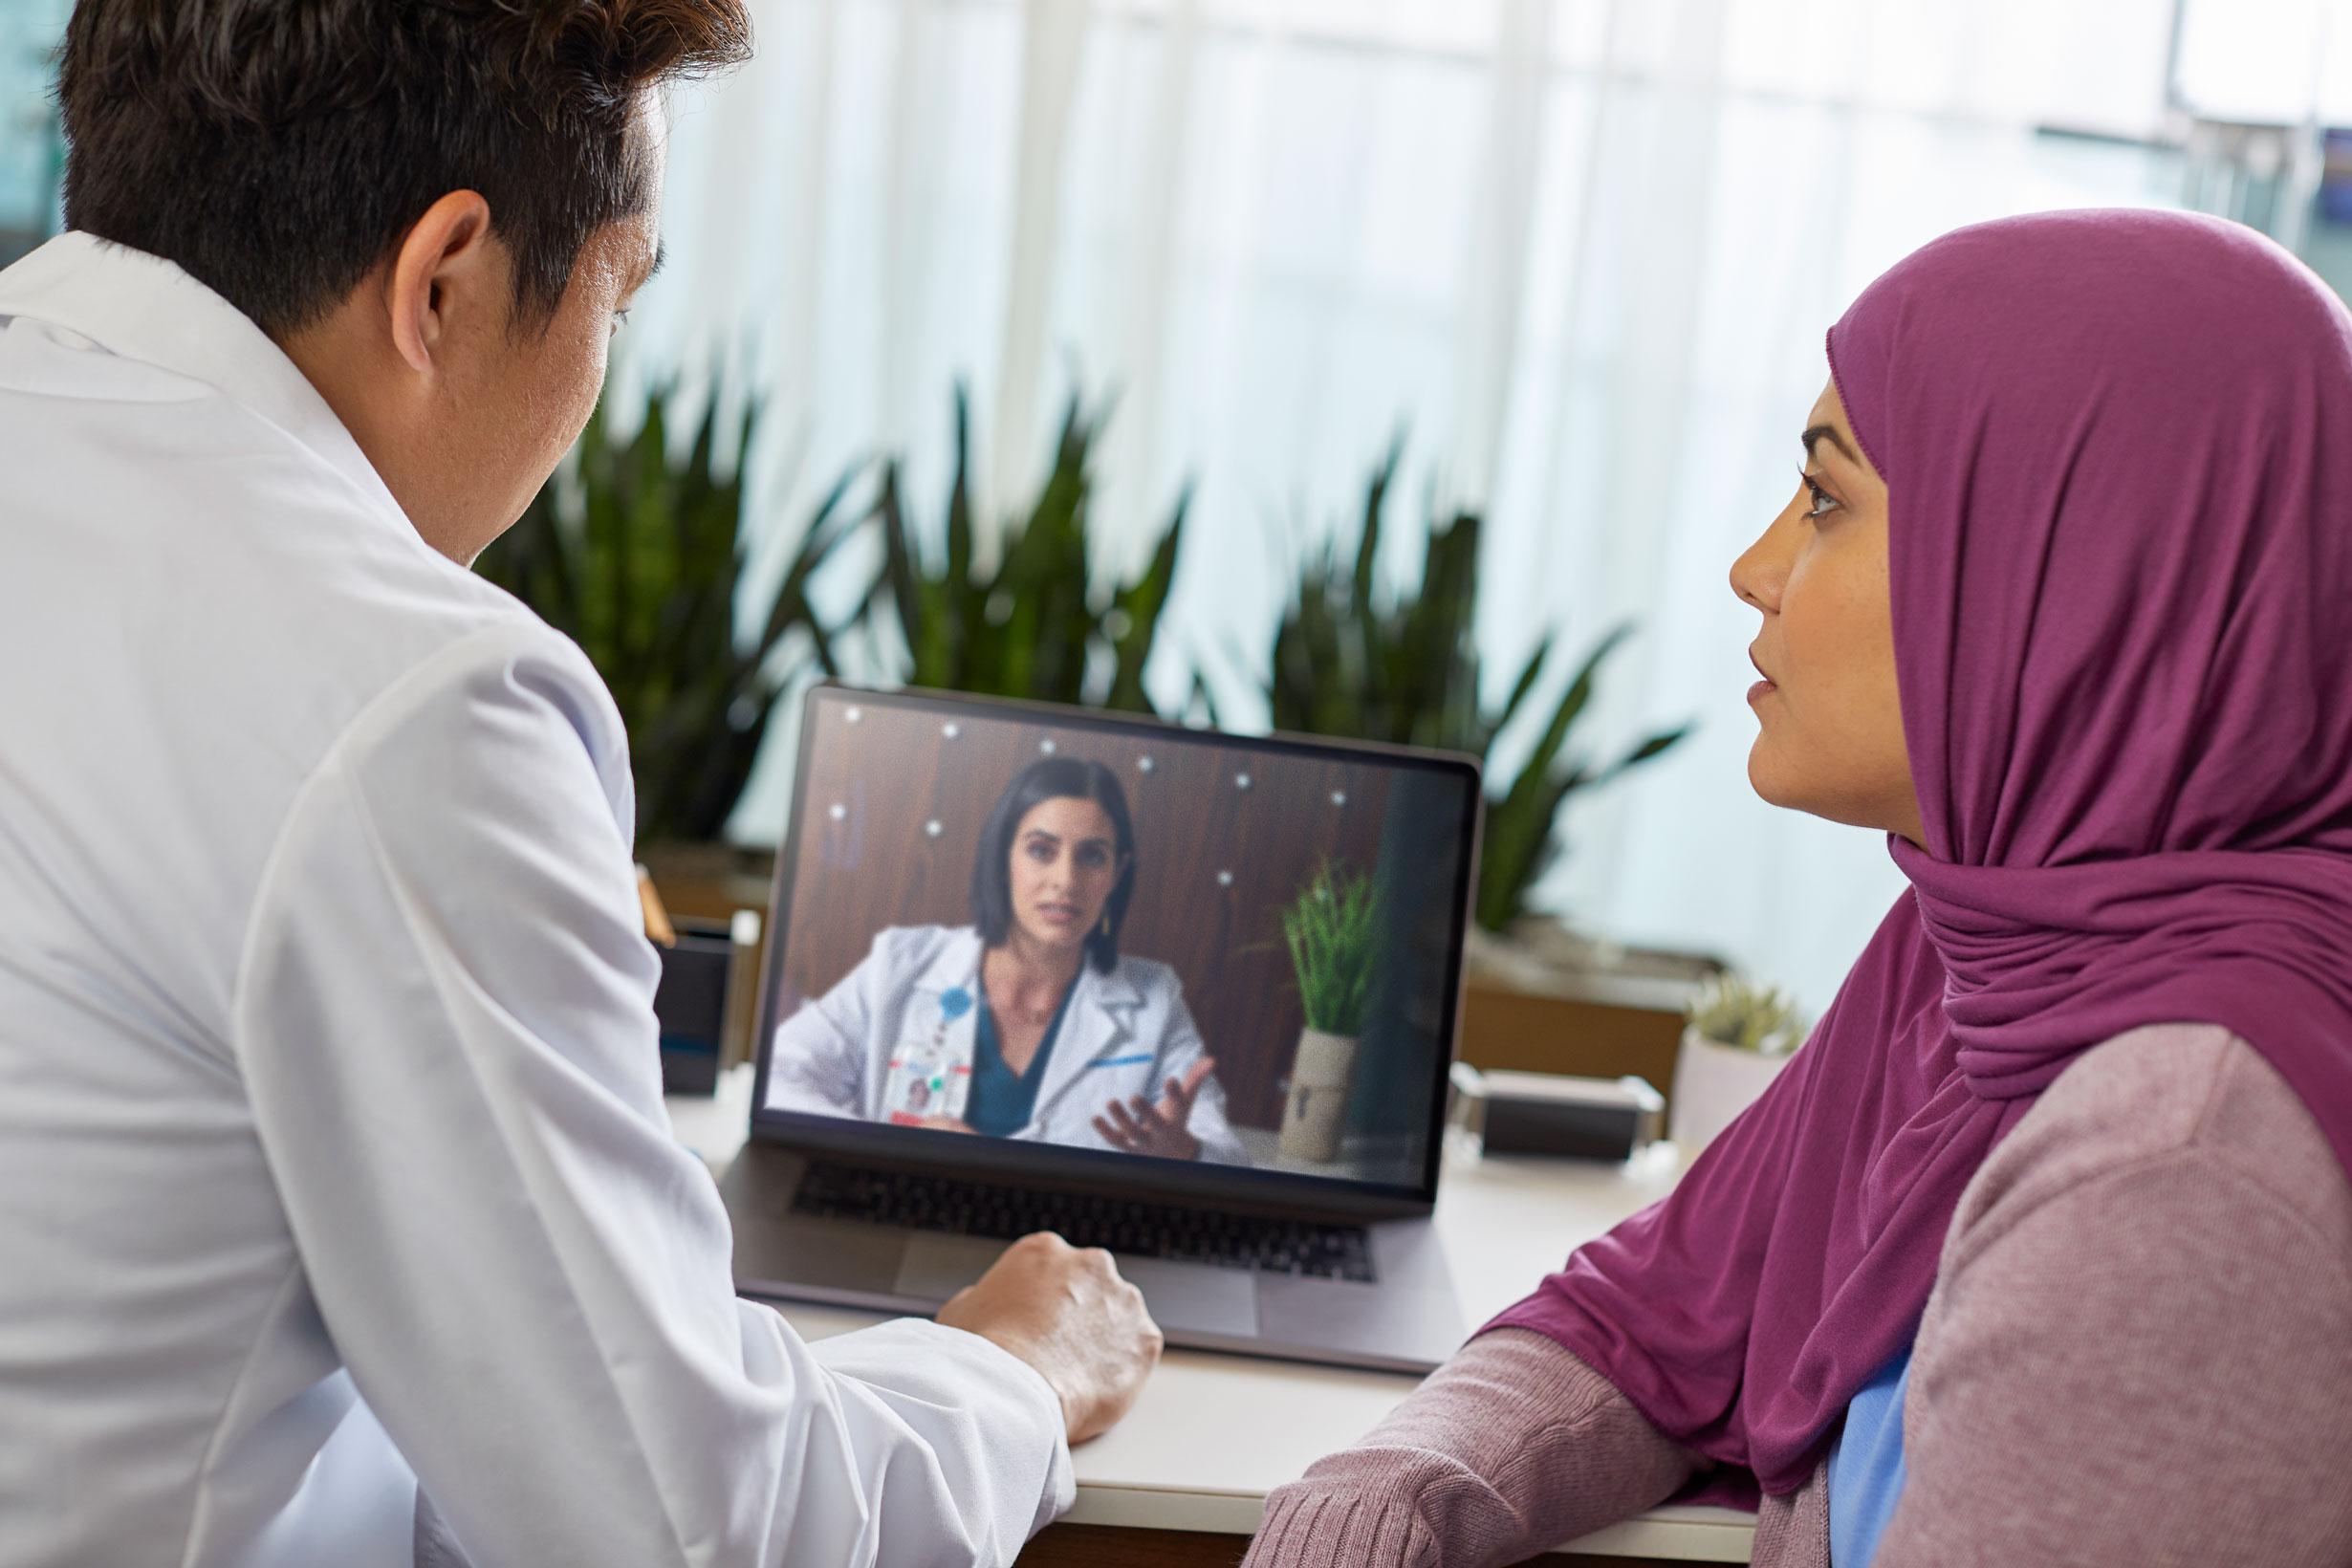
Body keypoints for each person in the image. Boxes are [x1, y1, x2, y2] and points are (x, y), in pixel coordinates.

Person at [0, 4, 1161, 1566]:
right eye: (622, 295)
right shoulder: (407, 699)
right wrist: (1009, 1368)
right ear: (445, 283)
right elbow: (679, 1528)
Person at [1244, 208, 2352, 1568]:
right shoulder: (1985, 951)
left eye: (1826, 499)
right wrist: (1397, 1485)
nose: (1755, 568)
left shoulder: (2178, 1169)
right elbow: (1658, 1306)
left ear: (2053, 570)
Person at [769, 757, 1251, 1164]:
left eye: (1092, 857)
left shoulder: (1154, 997)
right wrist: (892, 1145)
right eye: (1041, 851)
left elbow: (1229, 1154)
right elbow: (780, 1074)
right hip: (906, 1209)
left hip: (1073, 1245)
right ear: (1004, 859)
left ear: (1116, 874)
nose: (1065, 879)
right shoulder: (902, 962)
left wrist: (1185, 1152)